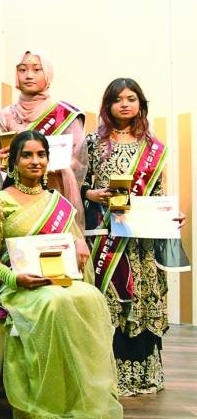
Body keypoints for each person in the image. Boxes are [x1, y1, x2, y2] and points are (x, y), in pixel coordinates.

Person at [0, 130, 123, 419]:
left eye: (41, 154)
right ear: (13, 162)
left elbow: (72, 239)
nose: (35, 161)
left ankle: (79, 393)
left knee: (91, 297)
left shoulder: (57, 201)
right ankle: (49, 396)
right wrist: (15, 279)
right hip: (17, 285)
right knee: (54, 304)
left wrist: (79, 242)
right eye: (26, 155)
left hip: (58, 280)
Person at [82, 78, 187, 396]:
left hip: (142, 242)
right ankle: (107, 374)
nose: (124, 104)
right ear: (108, 105)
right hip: (107, 240)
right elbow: (81, 186)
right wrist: (94, 194)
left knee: (140, 303)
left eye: (131, 98)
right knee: (111, 302)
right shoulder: (92, 143)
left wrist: (170, 216)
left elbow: (157, 194)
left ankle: (143, 374)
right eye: (117, 99)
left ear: (141, 104)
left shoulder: (154, 147)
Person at [0, 50, 86, 231]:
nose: (29, 76)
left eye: (37, 70)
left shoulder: (65, 114)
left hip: (58, 194)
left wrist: (46, 166)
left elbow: (79, 162)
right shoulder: (6, 115)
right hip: (18, 196)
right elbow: (2, 163)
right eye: (23, 70)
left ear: (48, 74)